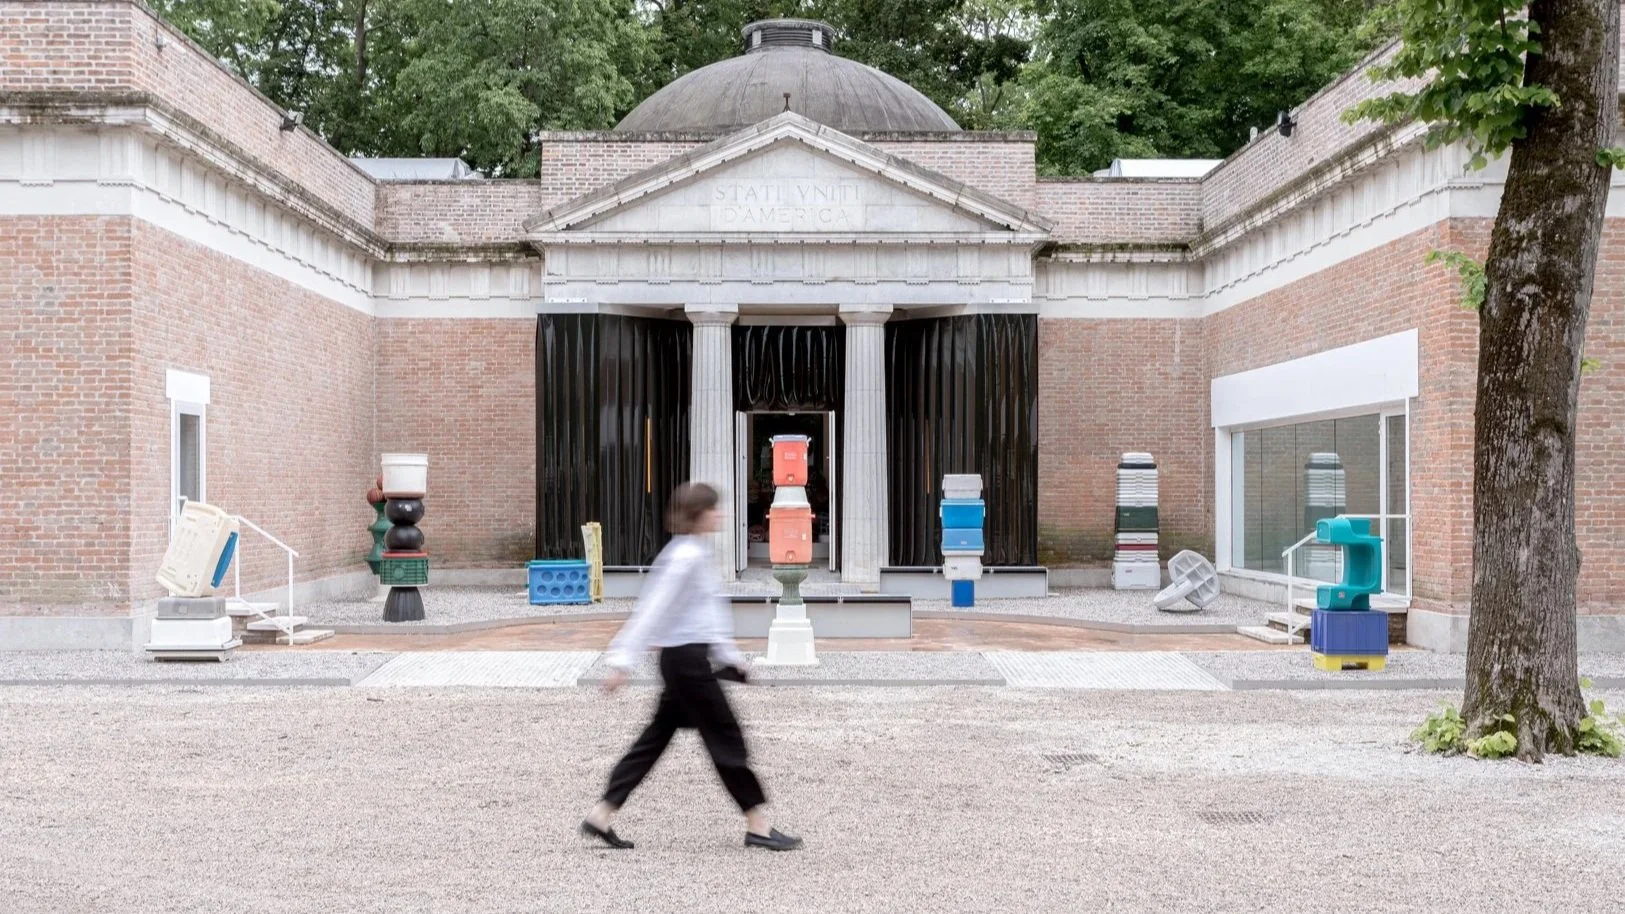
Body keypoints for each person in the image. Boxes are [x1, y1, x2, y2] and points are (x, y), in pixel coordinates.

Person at [580, 482, 803, 852]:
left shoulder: (690, 552)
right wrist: (622, 661)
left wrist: (731, 659)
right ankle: (759, 826)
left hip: (683, 660)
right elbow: (652, 609)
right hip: (687, 664)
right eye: (714, 509)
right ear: (699, 514)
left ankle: (601, 814)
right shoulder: (686, 556)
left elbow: (706, 616)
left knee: (654, 740)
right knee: (727, 739)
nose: (721, 515)